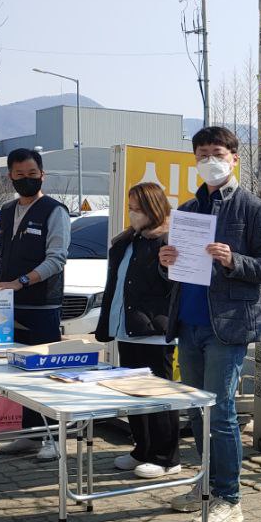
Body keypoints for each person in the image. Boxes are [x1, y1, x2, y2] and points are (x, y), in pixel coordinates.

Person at [159, 126, 261, 522]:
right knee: (197, 410)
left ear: (234, 158)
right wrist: (165, 260)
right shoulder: (189, 209)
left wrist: (233, 260)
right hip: (189, 322)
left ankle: (229, 499)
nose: (209, 160)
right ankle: (206, 486)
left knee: (221, 413)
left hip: (227, 327)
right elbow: (175, 272)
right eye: (202, 154)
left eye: (217, 153)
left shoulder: (252, 208)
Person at [94, 182, 181, 479]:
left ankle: (166, 457)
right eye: (130, 208)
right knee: (133, 392)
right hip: (126, 327)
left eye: (138, 208)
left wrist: (167, 267)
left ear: (153, 208)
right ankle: (142, 449)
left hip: (155, 331)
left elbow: (173, 283)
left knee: (158, 393)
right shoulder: (128, 240)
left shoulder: (167, 240)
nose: (133, 214)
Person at [0, 148, 72, 460]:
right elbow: (1, 254)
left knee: (46, 374)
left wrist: (21, 281)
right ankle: (30, 435)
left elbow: (57, 259)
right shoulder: (7, 210)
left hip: (42, 307)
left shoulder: (54, 211)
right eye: (20, 175)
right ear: (10, 176)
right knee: (19, 373)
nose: (26, 179)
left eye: (32, 174)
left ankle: (55, 438)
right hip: (10, 306)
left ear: (42, 175)